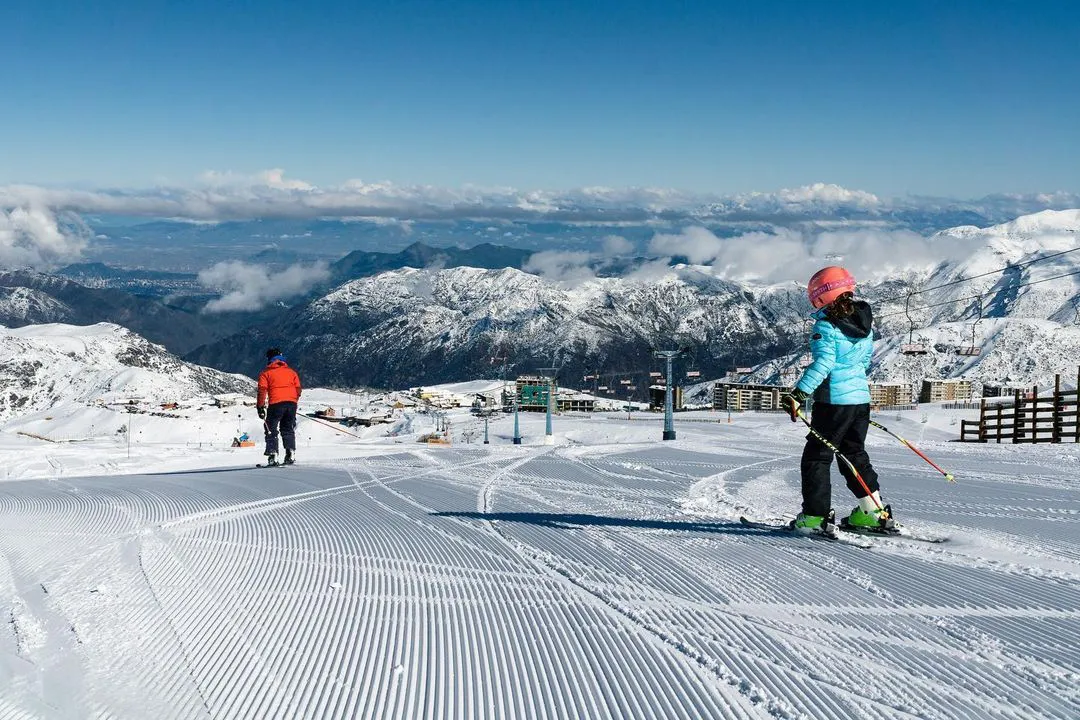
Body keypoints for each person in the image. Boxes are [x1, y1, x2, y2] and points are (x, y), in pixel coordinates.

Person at [782, 267, 894, 533]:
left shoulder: (826, 326)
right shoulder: (864, 323)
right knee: (853, 454)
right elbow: (865, 361)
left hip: (834, 403)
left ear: (820, 297)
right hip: (859, 401)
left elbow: (824, 364)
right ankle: (873, 513)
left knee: (817, 457)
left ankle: (814, 518)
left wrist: (798, 394)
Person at [256, 347, 301, 466]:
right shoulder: (292, 372)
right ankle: (290, 452)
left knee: (271, 429)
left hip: (275, 404)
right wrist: (293, 401)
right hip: (291, 404)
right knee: (287, 428)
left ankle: (273, 454)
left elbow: (262, 391)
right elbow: (298, 389)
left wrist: (260, 407)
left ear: (270, 358)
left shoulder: (266, 373)